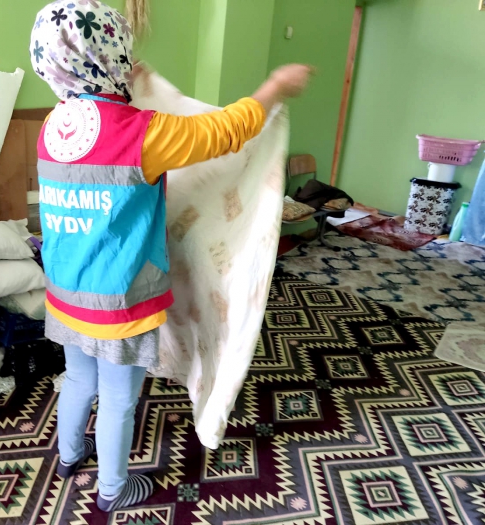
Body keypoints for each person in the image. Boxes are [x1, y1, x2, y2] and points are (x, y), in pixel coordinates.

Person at [30, 0, 312, 512]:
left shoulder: (52, 128)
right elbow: (228, 131)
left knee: (78, 379)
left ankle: (68, 455)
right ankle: (113, 490)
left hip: (65, 293)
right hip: (120, 303)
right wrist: (275, 86)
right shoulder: (141, 132)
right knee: (119, 397)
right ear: (114, 55)